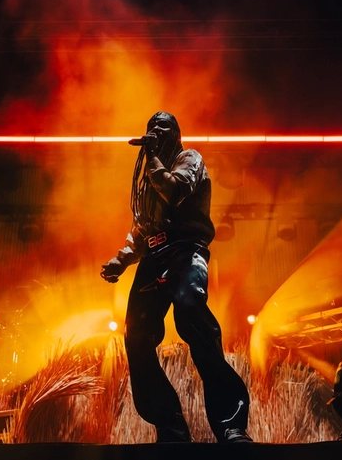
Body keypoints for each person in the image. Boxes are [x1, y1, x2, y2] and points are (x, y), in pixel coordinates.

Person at [100, 111, 252, 443]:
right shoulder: (148, 179)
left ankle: (231, 424)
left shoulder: (189, 159)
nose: (156, 132)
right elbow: (141, 229)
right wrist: (120, 259)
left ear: (177, 133)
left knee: (191, 314)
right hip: (153, 257)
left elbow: (175, 190)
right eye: (151, 128)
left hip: (186, 250)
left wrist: (153, 155)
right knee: (136, 335)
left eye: (163, 127)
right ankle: (170, 426)